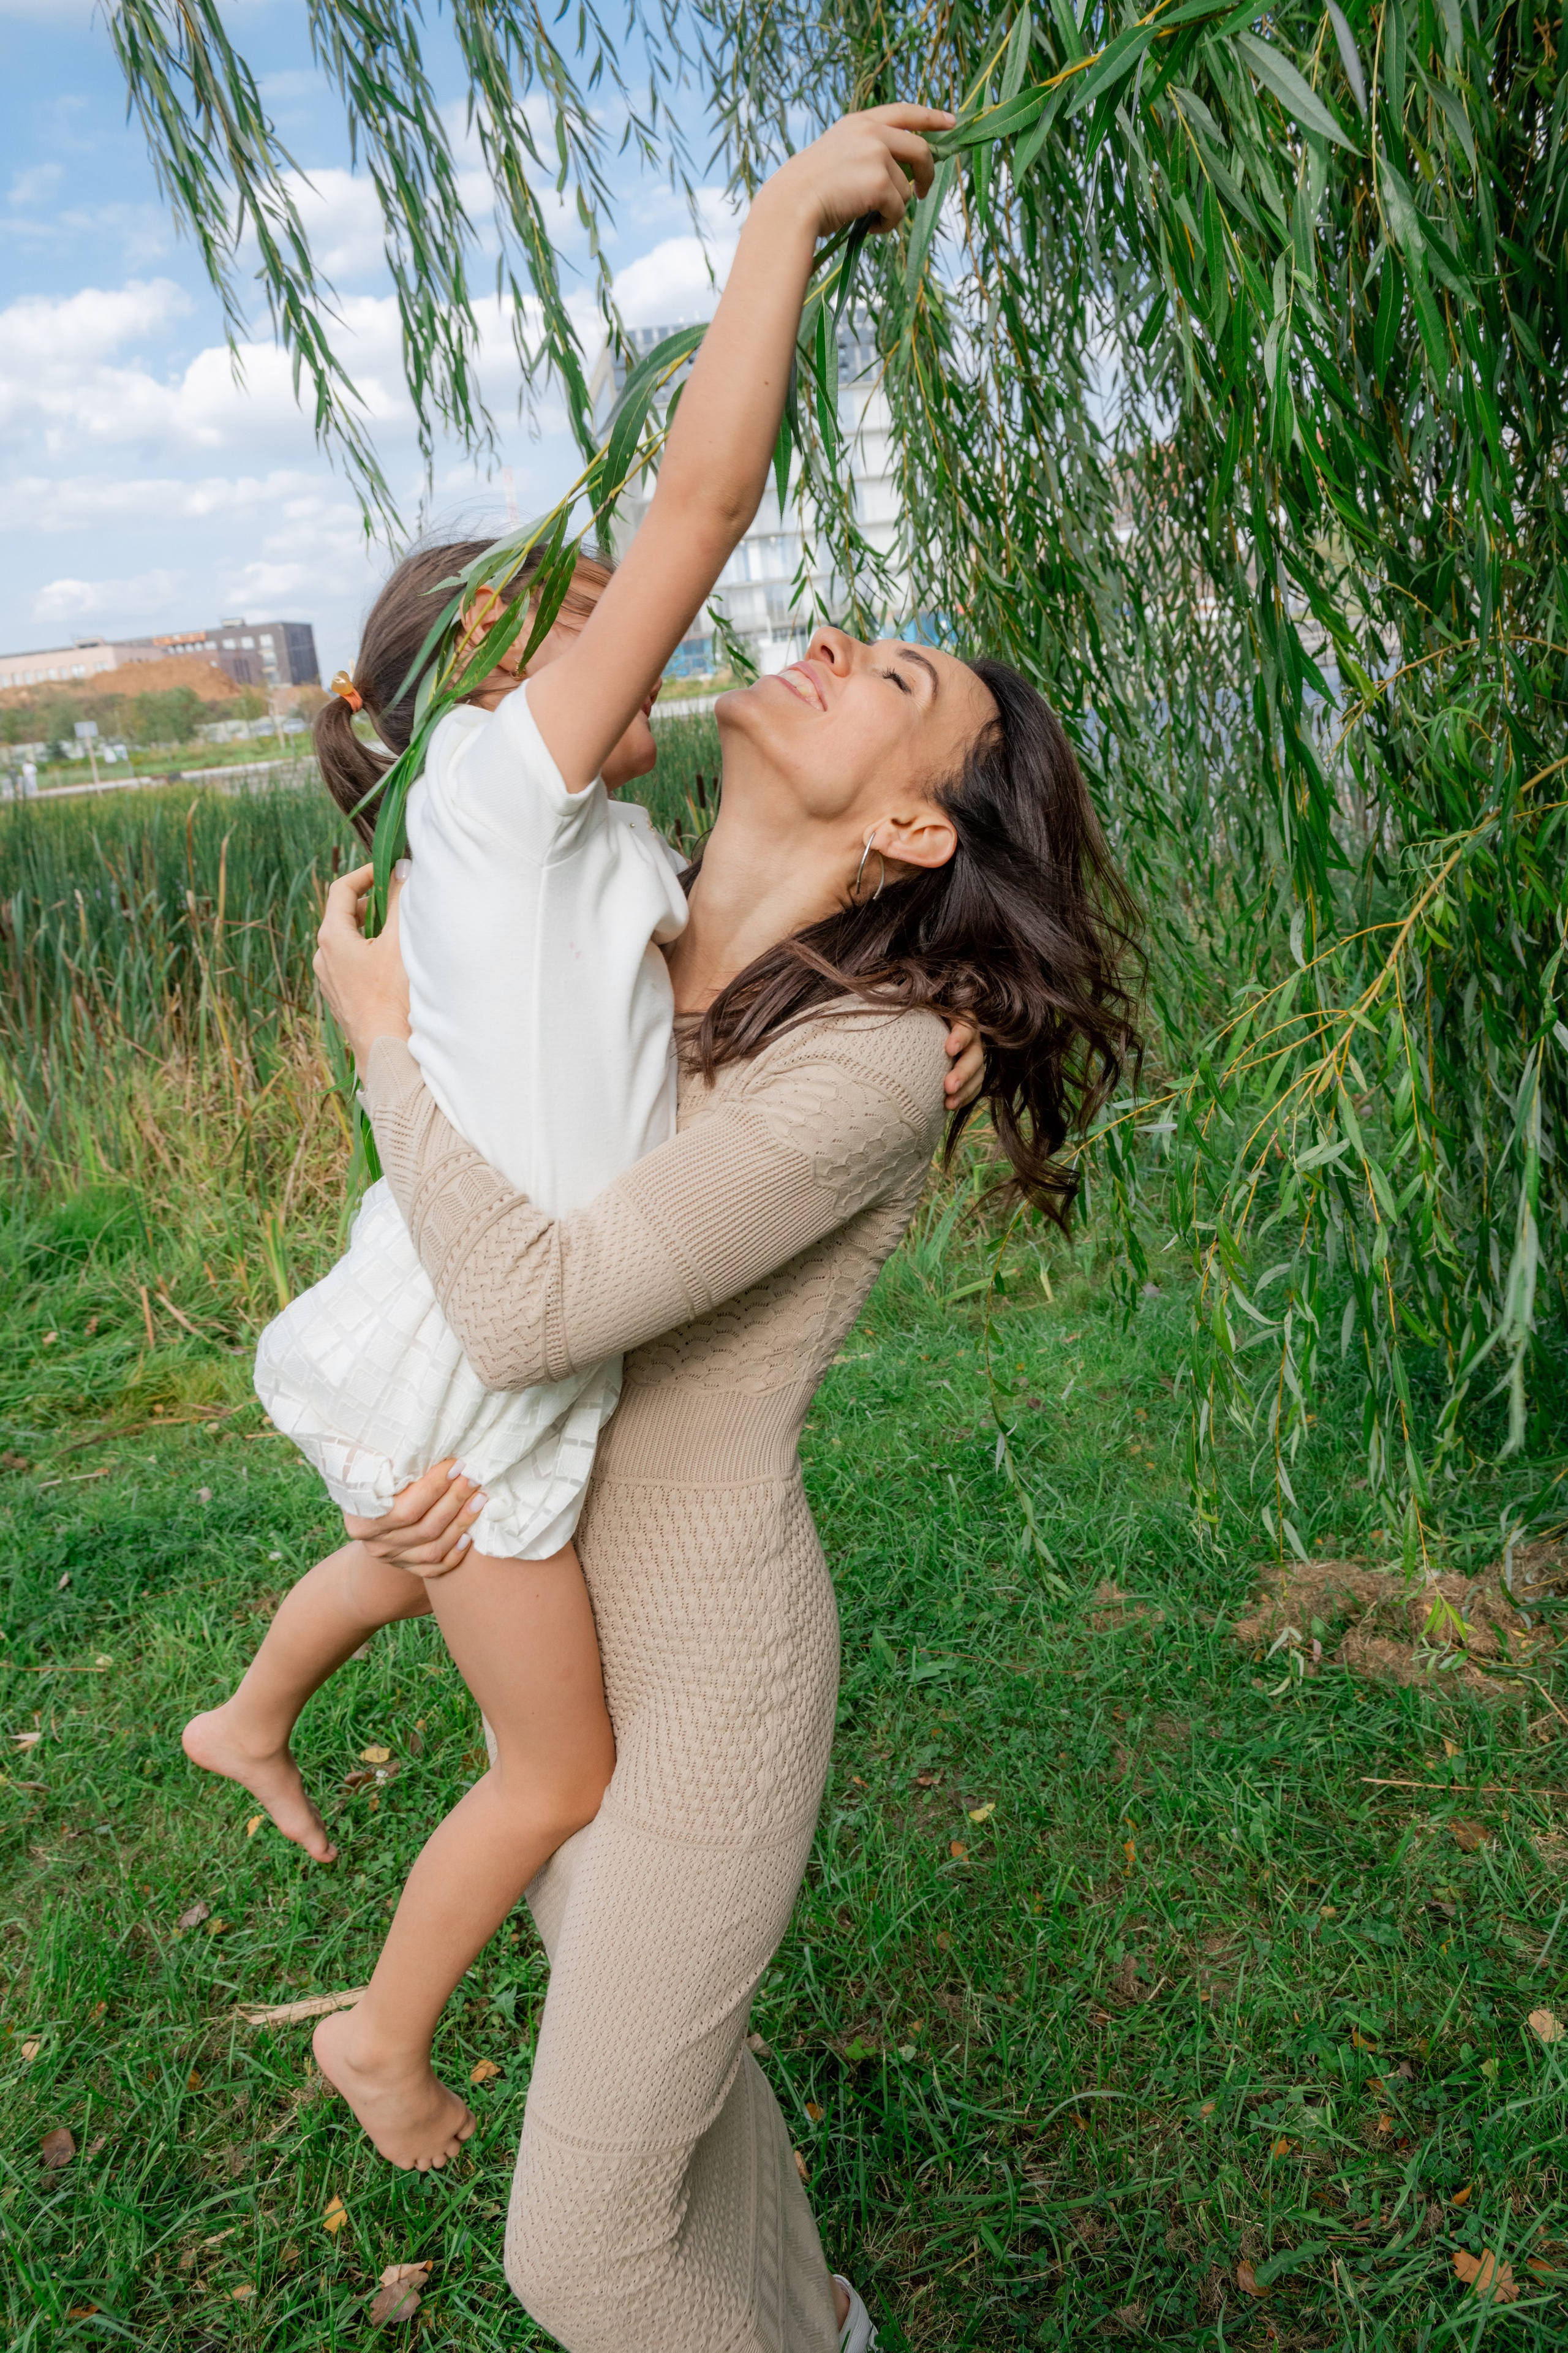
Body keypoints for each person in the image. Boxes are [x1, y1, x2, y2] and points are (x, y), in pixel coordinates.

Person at [312, 104, 1143, 2353]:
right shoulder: (642, 918)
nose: (841, 644)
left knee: (572, 2246)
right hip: (573, 1645)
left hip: (702, 1696)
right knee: (682, 2127)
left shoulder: (875, 1064)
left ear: (903, 819)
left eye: (903, 681)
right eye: (865, 633)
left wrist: (376, 1034)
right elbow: (520, 1270)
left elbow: (530, 1279)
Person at [181, 107, 982, 2192]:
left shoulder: (594, 840)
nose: (647, 611)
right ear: (491, 679)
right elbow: (705, 492)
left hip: (491, 1339)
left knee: (432, 1542)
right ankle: (384, 2031)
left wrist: (943, 1025)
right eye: (594, 605)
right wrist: (784, 222)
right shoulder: (498, 787)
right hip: (493, 1337)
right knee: (556, 1758)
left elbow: (727, 1020)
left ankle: (258, 1715)